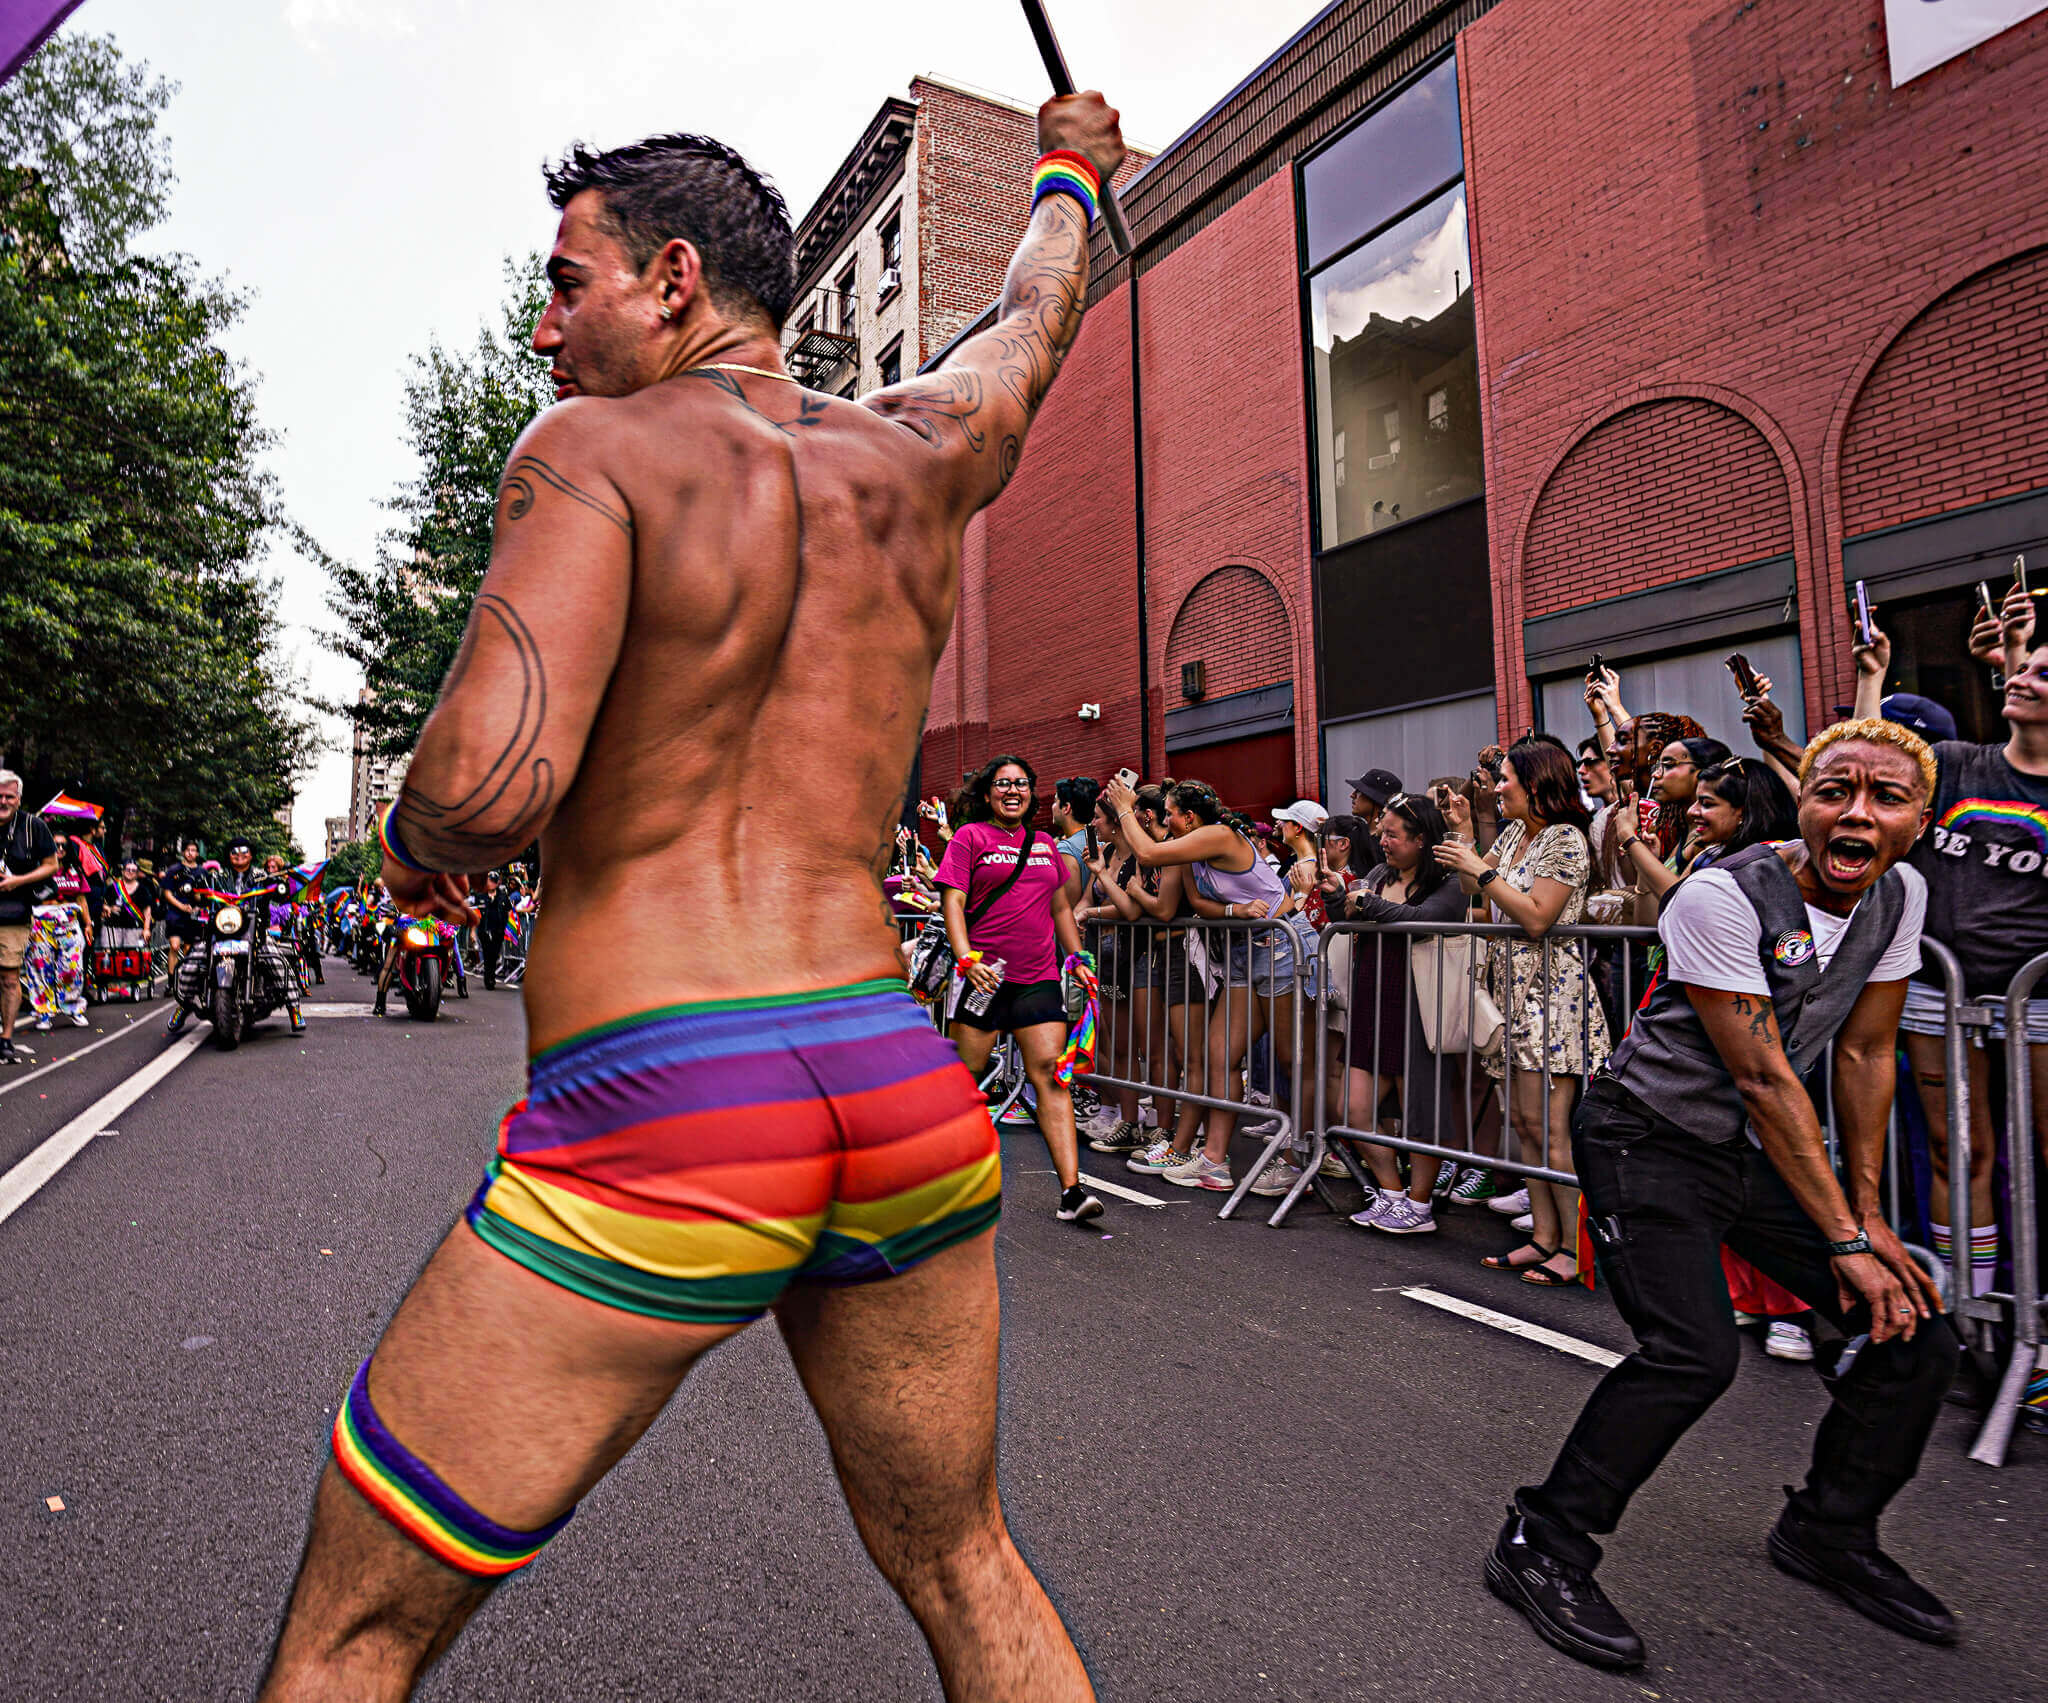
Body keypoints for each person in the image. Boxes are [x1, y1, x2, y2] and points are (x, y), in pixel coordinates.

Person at [263, 99, 1125, 1702]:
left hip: (671, 1103)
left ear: (670, 280)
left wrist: (402, 856)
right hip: (893, 1083)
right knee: (964, 1560)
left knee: (356, 1632)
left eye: (565, 280)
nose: (542, 325)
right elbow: (1028, 324)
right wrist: (1071, 166)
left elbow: (479, 793)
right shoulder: (918, 454)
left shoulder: (591, 448)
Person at [1488, 719, 1959, 1671]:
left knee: (1917, 1332)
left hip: (1749, 1148)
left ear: (1919, 819)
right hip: (1646, 1135)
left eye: (1886, 796)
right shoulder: (1720, 894)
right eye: (1835, 791)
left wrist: (1866, 1218)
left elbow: (1866, 1051)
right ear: (1805, 800)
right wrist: (1842, 1235)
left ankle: (1829, 1528)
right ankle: (1544, 1539)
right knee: (1693, 1352)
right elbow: (1766, 1079)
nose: (1857, 813)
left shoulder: (1899, 892)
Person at [1871, 585, 2048, 1305]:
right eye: (2025, 667)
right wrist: (1871, 677)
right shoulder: (1956, 763)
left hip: (2037, 1002)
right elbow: (1869, 771)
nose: (2025, 677)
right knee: (1959, 1151)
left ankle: (2036, 1329)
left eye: (2042, 673)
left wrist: (2011, 652)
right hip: (1937, 994)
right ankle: (1965, 1316)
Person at [1437, 737, 1611, 1285]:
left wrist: (1481, 872)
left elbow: (1539, 917)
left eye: (1506, 778)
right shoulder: (1513, 833)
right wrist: (1466, 839)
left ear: (1536, 783)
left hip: (1550, 995)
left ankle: (1576, 1249)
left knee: (1550, 1128)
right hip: (1508, 994)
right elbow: (1476, 889)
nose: (1497, 786)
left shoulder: (1565, 839)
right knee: (1522, 1124)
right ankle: (1544, 1235)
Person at [1105, 775, 1314, 1197]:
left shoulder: (1217, 835)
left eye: (1169, 814)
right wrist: (1235, 908)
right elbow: (1198, 903)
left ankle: (1299, 1157)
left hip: (1281, 944)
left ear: (1190, 816)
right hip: (1242, 949)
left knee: (1295, 1061)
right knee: (1220, 1055)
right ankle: (1215, 1161)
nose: (1164, 820)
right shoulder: (1192, 851)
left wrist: (1125, 807)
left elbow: (1145, 854)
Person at [936, 755, 1103, 1226]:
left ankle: (1072, 1191)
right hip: (985, 979)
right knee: (966, 1082)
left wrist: (1077, 960)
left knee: (1050, 1075)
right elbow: (954, 900)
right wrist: (967, 960)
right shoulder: (971, 838)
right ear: (988, 793)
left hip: (1038, 978)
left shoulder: (1046, 844)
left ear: (1033, 793)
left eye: (1022, 784)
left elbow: (1060, 909)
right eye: (1004, 784)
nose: (1013, 791)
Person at [1340, 793, 1471, 1233]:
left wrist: (1366, 904)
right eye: (1382, 832)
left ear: (1421, 840)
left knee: (1421, 1115)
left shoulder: (1448, 882)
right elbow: (1350, 907)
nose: (1382, 841)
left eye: (1393, 834)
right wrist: (1348, 898)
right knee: (1355, 1109)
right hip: (1372, 1000)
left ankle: (1419, 1205)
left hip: (1421, 1006)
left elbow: (1421, 919)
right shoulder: (1379, 873)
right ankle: (1392, 1193)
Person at [0, 773, 60, 1063]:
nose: (3, 801)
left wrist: (19, 881)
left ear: (19, 799)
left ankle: (6, 1039)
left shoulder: (32, 826)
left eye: (9, 796)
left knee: (10, 978)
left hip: (12, 914)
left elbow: (52, 866)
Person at [24, 831, 92, 1031]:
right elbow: (27, 897)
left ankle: (72, 1008)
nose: (60, 848)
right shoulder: (35, 870)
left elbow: (81, 899)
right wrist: (27, 922)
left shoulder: (75, 871)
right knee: (40, 968)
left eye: (63, 845)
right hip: (41, 924)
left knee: (72, 969)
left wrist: (88, 924)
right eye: (56, 844)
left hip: (69, 925)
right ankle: (44, 1012)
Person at [157, 840, 205, 990]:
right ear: (183, 852)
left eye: (193, 850)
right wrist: (181, 906)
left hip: (193, 914)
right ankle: (171, 982)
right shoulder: (174, 870)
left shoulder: (202, 872)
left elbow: (204, 896)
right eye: (188, 850)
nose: (190, 853)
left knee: (189, 949)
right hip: (175, 913)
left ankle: (187, 979)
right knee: (174, 946)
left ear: (197, 853)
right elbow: (167, 893)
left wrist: (196, 905)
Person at [1050, 776, 1100, 903]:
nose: (1053, 806)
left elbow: (1068, 905)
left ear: (1066, 808)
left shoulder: (1066, 849)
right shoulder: (1102, 838)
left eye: (1055, 801)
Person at [1342, 768, 1401, 873]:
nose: (1352, 795)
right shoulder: (1355, 834)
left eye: (1359, 791)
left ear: (1374, 798)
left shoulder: (1387, 844)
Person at [476, 871, 515, 991]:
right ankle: (489, 979)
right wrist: (473, 931)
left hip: (498, 930)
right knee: (487, 954)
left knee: (494, 954)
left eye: (493, 881)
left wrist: (509, 927)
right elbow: (476, 914)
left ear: (497, 883)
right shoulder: (481, 896)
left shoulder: (503, 896)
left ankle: (490, 976)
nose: (491, 884)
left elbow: (509, 911)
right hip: (484, 930)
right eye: (489, 881)